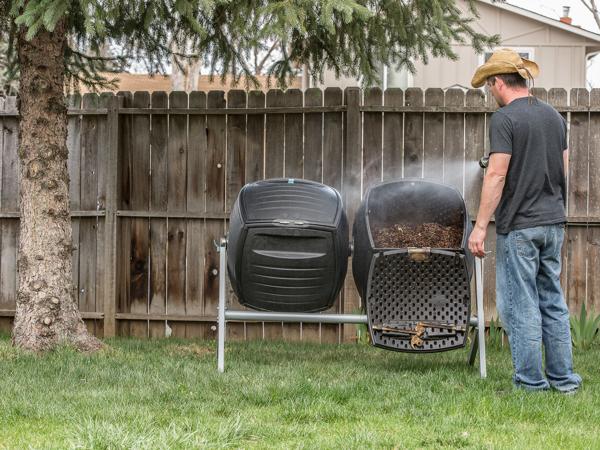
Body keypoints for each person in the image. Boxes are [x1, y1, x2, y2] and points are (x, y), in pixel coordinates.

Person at [468, 48, 581, 393]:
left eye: (490, 86)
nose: (490, 93)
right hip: (553, 223)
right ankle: (563, 380)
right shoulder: (554, 117)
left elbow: (497, 175)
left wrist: (480, 226)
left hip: (520, 227)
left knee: (521, 304)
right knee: (552, 300)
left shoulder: (504, 119)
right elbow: (563, 169)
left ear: (500, 82)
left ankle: (531, 382)